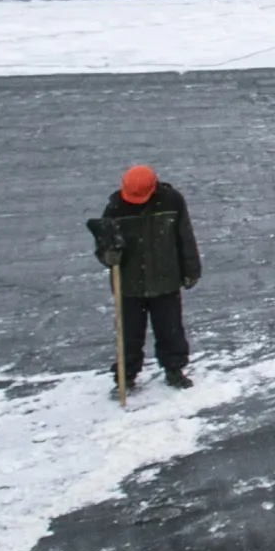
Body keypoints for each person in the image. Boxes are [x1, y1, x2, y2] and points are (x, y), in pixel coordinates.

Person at [90, 163, 200, 389]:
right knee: (128, 335)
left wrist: (191, 270)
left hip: (165, 280)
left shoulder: (172, 201)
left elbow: (185, 237)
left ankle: (174, 369)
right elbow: (103, 245)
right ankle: (126, 376)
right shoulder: (115, 207)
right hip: (129, 285)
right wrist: (108, 256)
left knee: (170, 330)